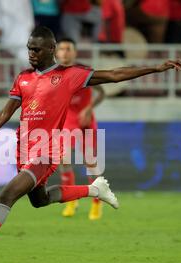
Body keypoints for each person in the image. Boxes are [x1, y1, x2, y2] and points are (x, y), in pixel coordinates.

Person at [0, 26, 181, 263]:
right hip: (24, 150)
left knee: (6, 196)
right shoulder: (23, 78)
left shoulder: (69, 75)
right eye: (29, 48)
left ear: (51, 49)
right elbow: (3, 114)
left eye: (37, 49)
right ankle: (94, 190)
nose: (31, 53)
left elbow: (114, 74)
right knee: (40, 200)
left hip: (46, 151)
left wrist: (155, 68)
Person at [55, 38, 106, 220]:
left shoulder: (84, 72)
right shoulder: (53, 75)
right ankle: (71, 201)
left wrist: (89, 108)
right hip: (67, 121)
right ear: (56, 53)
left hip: (85, 120)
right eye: (61, 48)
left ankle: (96, 203)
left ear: (75, 53)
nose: (65, 52)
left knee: (91, 163)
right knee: (64, 159)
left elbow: (101, 92)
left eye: (68, 49)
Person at [0, 0, 34, 67]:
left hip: (22, 28)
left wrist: (30, 24)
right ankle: (9, 76)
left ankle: (23, 75)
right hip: (6, 28)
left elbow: (27, 9)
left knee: (23, 55)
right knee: (8, 56)